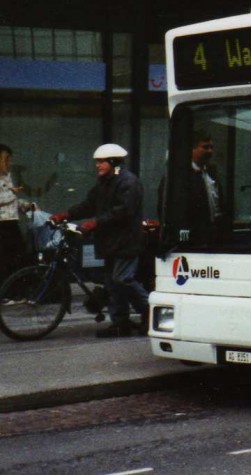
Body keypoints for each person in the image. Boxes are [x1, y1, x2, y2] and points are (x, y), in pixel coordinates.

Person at [52, 144, 149, 338]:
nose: (97, 166)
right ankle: (120, 322)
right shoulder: (104, 182)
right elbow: (90, 204)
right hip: (110, 241)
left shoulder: (128, 182)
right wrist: (67, 214)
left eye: (101, 162)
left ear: (113, 161)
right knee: (112, 283)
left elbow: (123, 211)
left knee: (122, 279)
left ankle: (150, 312)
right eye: (97, 162)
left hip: (126, 241)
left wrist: (94, 222)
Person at [0, 144, 33, 281]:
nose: (10, 163)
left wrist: (26, 205)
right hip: (2, 224)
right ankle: (6, 294)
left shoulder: (7, 177)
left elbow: (12, 199)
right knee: (6, 258)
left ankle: (14, 292)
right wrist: (14, 194)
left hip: (11, 222)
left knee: (16, 257)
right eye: (7, 159)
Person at [185, 131, 224, 240]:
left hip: (213, 233)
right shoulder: (182, 175)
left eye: (211, 147)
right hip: (195, 235)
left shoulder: (212, 172)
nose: (210, 151)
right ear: (193, 149)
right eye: (205, 147)